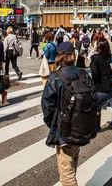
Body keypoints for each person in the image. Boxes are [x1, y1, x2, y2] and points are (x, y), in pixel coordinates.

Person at [42, 46, 95, 186]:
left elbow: (47, 107)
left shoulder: (55, 77)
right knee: (72, 159)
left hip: (64, 129)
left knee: (66, 174)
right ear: (73, 56)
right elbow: (94, 97)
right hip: (82, 125)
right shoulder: (84, 74)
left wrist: (54, 124)